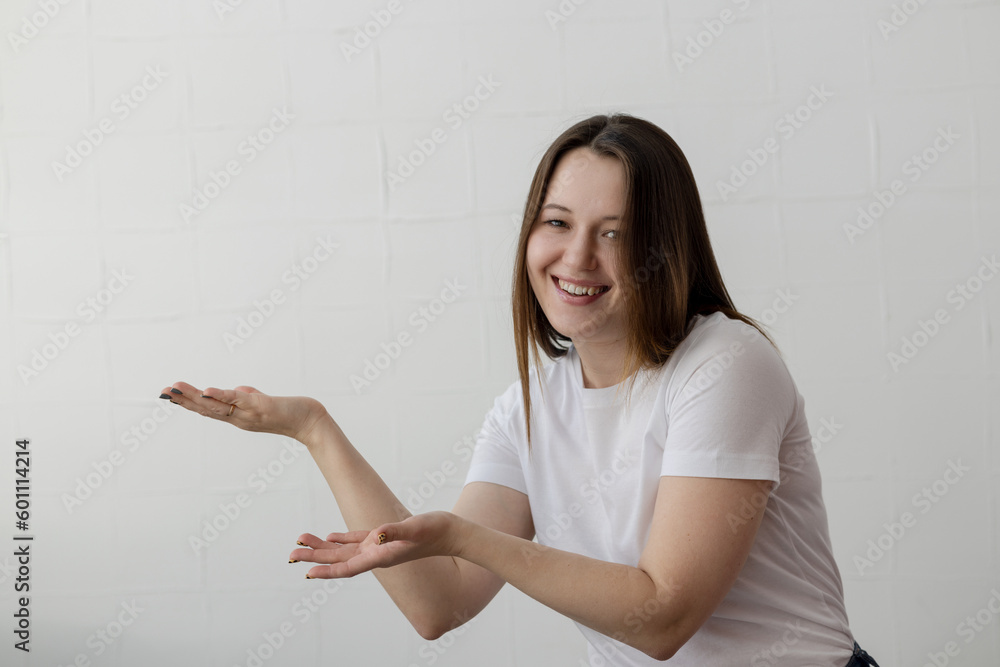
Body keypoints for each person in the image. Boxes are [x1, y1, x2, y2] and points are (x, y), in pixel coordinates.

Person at [160, 114, 880, 666]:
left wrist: (463, 534)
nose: (577, 257)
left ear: (666, 248)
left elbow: (663, 615)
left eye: (615, 233)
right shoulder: (530, 408)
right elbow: (438, 600)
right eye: (557, 223)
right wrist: (314, 428)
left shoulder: (725, 364)